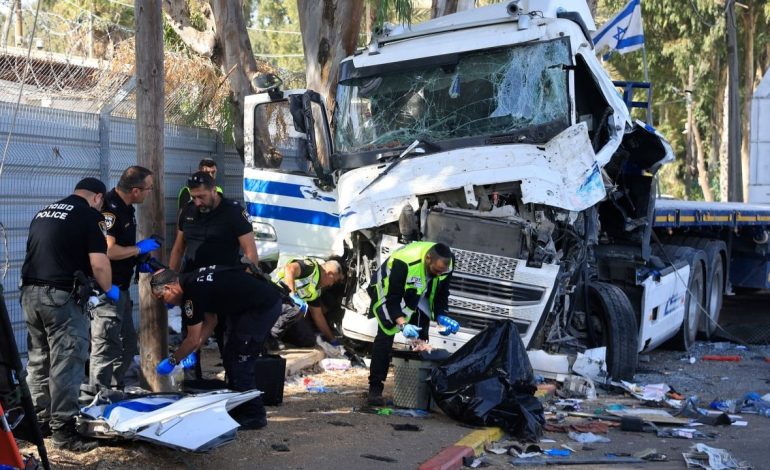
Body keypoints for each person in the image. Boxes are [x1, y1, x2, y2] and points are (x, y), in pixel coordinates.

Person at [20, 177, 119, 452]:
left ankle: (38, 424)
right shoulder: (90, 216)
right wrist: (109, 290)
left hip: (30, 295)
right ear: (98, 197)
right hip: (61, 299)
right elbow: (99, 263)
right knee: (67, 361)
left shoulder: (44, 211)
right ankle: (64, 431)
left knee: (39, 360)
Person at [150, 266, 282, 429]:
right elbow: (211, 321)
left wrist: (173, 360)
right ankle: (239, 408)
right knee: (230, 356)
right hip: (258, 304)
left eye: (162, 297)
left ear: (169, 287)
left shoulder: (191, 296)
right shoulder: (192, 280)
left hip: (262, 307)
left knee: (240, 361)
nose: (166, 303)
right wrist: (193, 349)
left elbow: (191, 339)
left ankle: (255, 415)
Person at [169, 171, 258, 378]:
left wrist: (244, 285)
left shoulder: (234, 212)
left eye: (202, 196)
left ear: (213, 190)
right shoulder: (188, 212)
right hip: (193, 286)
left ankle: (234, 382)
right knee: (191, 337)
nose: (198, 201)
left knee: (228, 339)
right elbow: (178, 249)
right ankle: (191, 383)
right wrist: (172, 279)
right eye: (194, 197)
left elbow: (251, 253)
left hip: (225, 286)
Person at [89, 166, 160, 392]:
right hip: (106, 289)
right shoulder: (110, 209)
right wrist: (138, 250)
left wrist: (140, 260)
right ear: (136, 190)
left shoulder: (127, 208)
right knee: (106, 346)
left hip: (121, 287)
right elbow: (108, 250)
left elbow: (124, 251)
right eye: (149, 189)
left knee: (128, 345)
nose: (150, 193)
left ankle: (113, 389)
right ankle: (97, 396)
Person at [366, 241, 459, 406]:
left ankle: (415, 392)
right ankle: (375, 389)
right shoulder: (404, 262)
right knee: (386, 333)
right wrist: (402, 324)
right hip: (388, 288)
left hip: (418, 289)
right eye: (436, 270)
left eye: (442, 272)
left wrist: (441, 316)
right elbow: (393, 299)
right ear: (428, 258)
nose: (439, 274)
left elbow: (441, 294)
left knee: (421, 339)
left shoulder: (447, 263)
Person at [268, 257, 346, 350]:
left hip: (285, 305)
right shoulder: (311, 267)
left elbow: (318, 316)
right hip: (272, 292)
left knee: (308, 340)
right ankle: (270, 338)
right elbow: (290, 269)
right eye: (334, 281)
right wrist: (292, 295)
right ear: (330, 274)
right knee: (295, 308)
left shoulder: (316, 290)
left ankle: (280, 336)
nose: (331, 284)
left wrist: (332, 340)